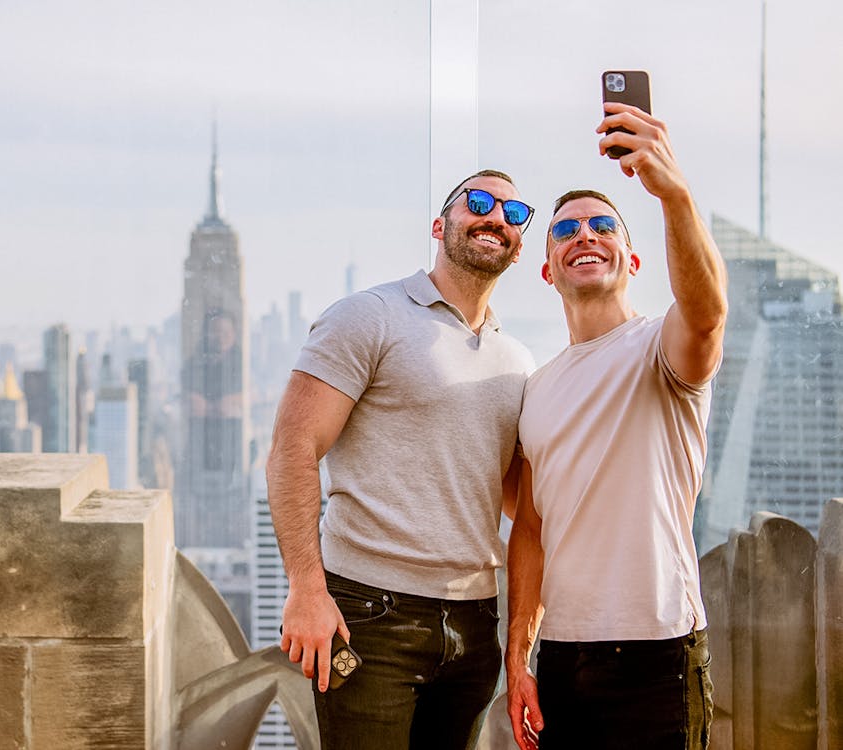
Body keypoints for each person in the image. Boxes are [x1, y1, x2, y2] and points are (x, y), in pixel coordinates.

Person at [268, 170, 536, 749]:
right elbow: (293, 447)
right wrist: (306, 589)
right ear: (440, 225)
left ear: (519, 247)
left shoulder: (517, 360)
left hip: (474, 624)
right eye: (481, 203)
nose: (497, 219)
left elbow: (517, 500)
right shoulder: (370, 316)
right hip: (369, 616)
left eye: (515, 215)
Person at [505, 103, 727, 750]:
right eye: (567, 230)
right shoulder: (537, 389)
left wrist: (673, 194)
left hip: (660, 652)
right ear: (549, 270)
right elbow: (533, 529)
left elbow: (708, 314)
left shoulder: (663, 348)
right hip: (565, 660)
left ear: (630, 259)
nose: (585, 235)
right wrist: (519, 655)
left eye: (603, 226)